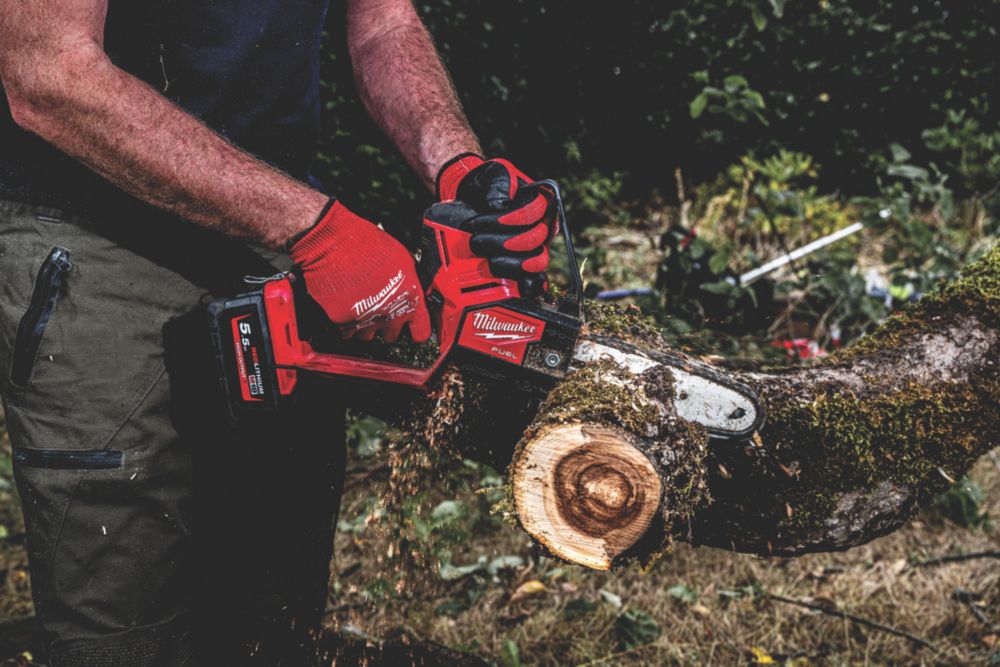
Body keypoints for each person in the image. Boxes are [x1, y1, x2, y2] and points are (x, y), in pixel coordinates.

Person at [0, 0, 556, 664]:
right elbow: (47, 73)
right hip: (99, 239)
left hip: (273, 236)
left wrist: (457, 166)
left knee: (275, 616)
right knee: (127, 625)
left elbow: (383, 22)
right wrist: (314, 225)